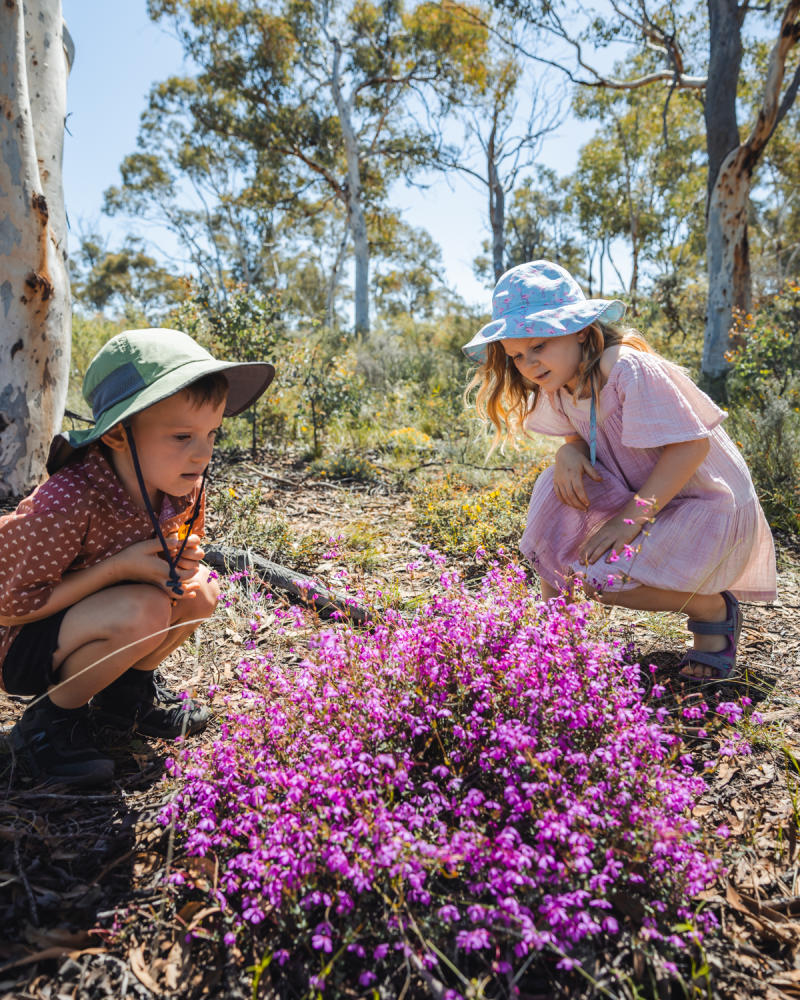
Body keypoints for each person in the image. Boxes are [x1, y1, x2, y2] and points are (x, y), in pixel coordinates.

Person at [463, 260, 776, 683]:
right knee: (554, 487)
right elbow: (584, 437)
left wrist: (628, 521)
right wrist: (568, 453)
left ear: (579, 330)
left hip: (707, 509)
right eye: (517, 356)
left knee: (599, 581)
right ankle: (556, 636)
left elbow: (691, 446)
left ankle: (712, 609)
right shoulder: (559, 386)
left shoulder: (626, 368)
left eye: (538, 345)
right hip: (653, 503)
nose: (530, 364)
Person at [0, 328, 274, 787]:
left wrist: (178, 565)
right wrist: (119, 568)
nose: (203, 453)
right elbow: (11, 605)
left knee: (200, 590)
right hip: (20, 638)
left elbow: (176, 570)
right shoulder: (70, 499)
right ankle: (48, 724)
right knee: (144, 609)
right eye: (182, 435)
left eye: (212, 434)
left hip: (95, 620)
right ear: (117, 436)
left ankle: (125, 698)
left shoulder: (175, 485)